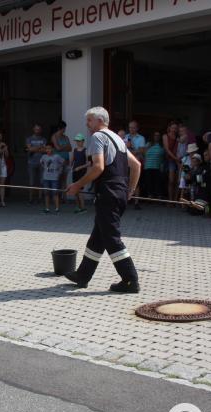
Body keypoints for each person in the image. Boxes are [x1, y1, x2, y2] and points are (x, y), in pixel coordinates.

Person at [65, 106, 142, 293]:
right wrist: (130, 190)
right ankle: (82, 275)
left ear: (100, 121)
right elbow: (137, 165)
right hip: (119, 193)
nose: (87, 125)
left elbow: (98, 168)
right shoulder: (119, 139)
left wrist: (77, 185)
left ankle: (130, 280)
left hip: (107, 194)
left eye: (89, 121)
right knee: (98, 237)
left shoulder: (98, 137)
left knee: (111, 238)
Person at [125, 120, 146, 209]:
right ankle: (126, 200)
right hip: (126, 163)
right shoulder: (125, 137)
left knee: (136, 182)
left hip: (136, 163)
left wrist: (130, 150)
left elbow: (141, 151)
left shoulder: (141, 138)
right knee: (125, 181)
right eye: (130, 127)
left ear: (137, 128)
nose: (131, 129)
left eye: (133, 127)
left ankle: (136, 202)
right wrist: (134, 152)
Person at [26, 124, 48, 204]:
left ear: (41, 130)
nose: (37, 131)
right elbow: (29, 149)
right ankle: (31, 198)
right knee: (31, 181)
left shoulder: (44, 139)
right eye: (36, 129)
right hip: (31, 162)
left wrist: (33, 148)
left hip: (41, 162)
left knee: (41, 181)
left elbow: (45, 150)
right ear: (33, 129)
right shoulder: (29, 139)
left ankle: (39, 198)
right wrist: (39, 147)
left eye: (39, 129)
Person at [51, 120, 72, 201]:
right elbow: (57, 148)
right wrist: (65, 146)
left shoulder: (66, 137)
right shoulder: (54, 137)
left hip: (66, 160)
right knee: (57, 179)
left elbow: (70, 148)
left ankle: (64, 197)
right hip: (58, 161)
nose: (64, 130)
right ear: (60, 128)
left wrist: (62, 147)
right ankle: (57, 197)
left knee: (64, 179)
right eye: (64, 128)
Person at [40, 146, 64, 214]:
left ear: (52, 149)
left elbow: (63, 162)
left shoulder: (57, 156)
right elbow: (41, 162)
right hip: (46, 177)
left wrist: (59, 171)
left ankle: (57, 209)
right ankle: (47, 208)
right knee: (46, 193)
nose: (48, 150)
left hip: (54, 177)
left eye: (49, 148)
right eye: (46, 149)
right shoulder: (44, 156)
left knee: (55, 193)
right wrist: (45, 168)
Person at [142, 132, 165, 199]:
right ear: (153, 136)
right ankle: (150, 196)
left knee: (158, 182)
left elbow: (164, 156)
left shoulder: (162, 145)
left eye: (158, 135)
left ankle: (158, 196)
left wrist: (162, 165)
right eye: (155, 135)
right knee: (149, 182)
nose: (156, 137)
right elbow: (143, 154)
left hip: (158, 166)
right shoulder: (148, 144)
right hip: (148, 165)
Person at [71, 133, 89, 213]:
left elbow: (89, 163)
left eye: (79, 141)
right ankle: (77, 206)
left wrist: (80, 167)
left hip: (81, 172)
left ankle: (83, 207)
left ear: (83, 141)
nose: (78, 142)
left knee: (80, 190)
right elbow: (72, 160)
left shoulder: (85, 151)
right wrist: (70, 166)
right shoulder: (74, 150)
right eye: (77, 141)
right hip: (75, 171)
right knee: (75, 189)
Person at [162, 121, 179, 201]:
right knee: (171, 181)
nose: (174, 129)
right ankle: (170, 199)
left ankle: (175, 199)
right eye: (173, 128)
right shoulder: (165, 136)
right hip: (170, 160)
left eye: (175, 128)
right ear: (169, 128)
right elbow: (167, 149)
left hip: (178, 160)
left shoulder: (178, 137)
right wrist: (175, 158)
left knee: (177, 181)